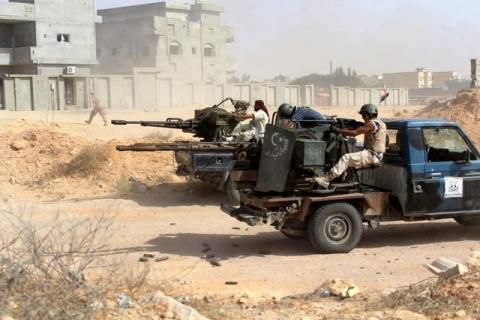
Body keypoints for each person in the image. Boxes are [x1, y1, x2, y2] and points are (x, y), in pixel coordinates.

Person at [315, 104, 386, 189]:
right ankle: (348, 181)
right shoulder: (380, 123)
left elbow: (354, 133)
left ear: (369, 114)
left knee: (346, 158)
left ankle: (326, 180)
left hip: (372, 155)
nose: (363, 117)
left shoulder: (370, 124)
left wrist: (338, 130)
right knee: (350, 160)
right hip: (376, 154)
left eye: (364, 115)